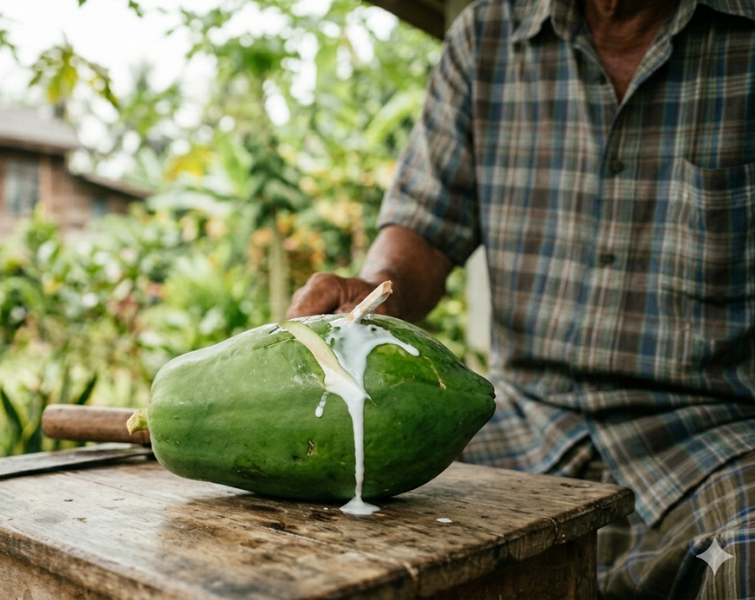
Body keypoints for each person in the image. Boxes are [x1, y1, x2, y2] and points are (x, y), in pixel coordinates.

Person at [286, 0, 755, 597]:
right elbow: (426, 224)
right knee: (328, 530)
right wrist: (374, 293)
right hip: (520, 420)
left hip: (712, 437)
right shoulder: (486, 36)